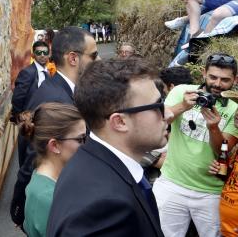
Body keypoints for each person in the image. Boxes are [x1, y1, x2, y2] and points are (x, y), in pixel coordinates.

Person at [46, 59, 169, 236]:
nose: (168, 113)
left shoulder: (87, 161)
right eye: (158, 106)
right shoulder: (106, 209)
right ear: (119, 122)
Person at [10, 26, 98, 227]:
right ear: (73, 58)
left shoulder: (60, 88)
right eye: (93, 56)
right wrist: (20, 209)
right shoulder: (56, 98)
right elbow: (34, 157)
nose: (98, 61)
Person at [153, 53, 238, 236]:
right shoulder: (181, 91)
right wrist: (183, 106)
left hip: (211, 192)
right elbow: (159, 122)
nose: (217, 84)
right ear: (203, 73)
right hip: (171, 183)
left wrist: (213, 127)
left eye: (225, 80)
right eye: (213, 77)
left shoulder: (235, 108)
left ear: (235, 80)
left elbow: (222, 151)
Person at [22, 103, 86, 237]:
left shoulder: (49, 177)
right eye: (81, 139)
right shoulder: (47, 199)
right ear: (54, 145)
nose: (86, 145)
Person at [12, 41, 53, 166]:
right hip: (29, 123)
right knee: (27, 160)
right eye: (38, 52)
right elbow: (17, 99)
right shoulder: (27, 72)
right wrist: (22, 119)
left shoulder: (47, 73)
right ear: (33, 54)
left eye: (45, 52)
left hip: (43, 122)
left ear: (49, 54)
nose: (42, 55)